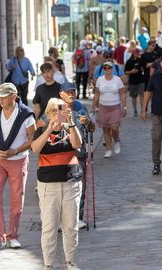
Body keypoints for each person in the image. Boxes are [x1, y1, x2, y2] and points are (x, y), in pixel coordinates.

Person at [31, 98, 82, 270]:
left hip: (71, 183)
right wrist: (49, 129)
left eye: (60, 109)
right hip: (48, 185)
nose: (57, 113)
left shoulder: (70, 129)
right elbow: (35, 149)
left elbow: (77, 144)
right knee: (49, 227)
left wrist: (71, 123)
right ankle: (48, 265)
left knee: (71, 226)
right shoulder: (41, 130)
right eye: (53, 110)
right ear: (47, 113)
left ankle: (71, 262)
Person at [0, 83, 36, 249]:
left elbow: (32, 139)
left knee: (16, 198)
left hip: (18, 160)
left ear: (14, 96)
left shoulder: (26, 114)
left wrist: (15, 151)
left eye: (4, 96)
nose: (0, 99)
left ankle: (13, 236)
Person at [58, 83, 95, 230]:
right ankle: (62, 220)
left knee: (81, 186)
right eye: (67, 91)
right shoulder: (58, 107)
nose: (71, 94)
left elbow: (92, 128)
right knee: (62, 187)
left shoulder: (81, 107)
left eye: (73, 91)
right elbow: (43, 125)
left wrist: (88, 122)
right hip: (61, 153)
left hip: (79, 152)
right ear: (61, 94)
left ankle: (78, 218)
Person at [93, 61, 126, 158]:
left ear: (112, 69)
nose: (108, 70)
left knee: (114, 127)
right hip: (103, 107)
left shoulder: (117, 80)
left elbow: (122, 94)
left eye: (110, 68)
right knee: (106, 129)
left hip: (115, 106)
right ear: (103, 69)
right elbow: (97, 94)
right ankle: (108, 149)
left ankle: (116, 141)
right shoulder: (100, 79)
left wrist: (124, 107)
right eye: (105, 68)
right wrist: (94, 106)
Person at [124, 48, 146, 117]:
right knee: (134, 96)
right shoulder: (129, 61)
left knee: (142, 95)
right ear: (133, 53)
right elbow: (125, 72)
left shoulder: (141, 60)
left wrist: (143, 70)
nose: (137, 54)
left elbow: (144, 67)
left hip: (141, 80)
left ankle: (143, 110)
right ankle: (135, 110)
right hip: (133, 81)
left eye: (138, 53)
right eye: (136, 53)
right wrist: (132, 71)